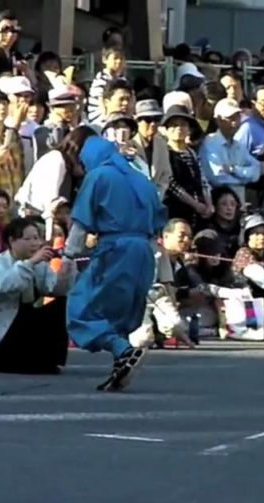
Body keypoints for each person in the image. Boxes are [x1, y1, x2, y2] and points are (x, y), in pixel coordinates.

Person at [65, 138, 167, 391]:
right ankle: (121, 363)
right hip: (144, 251)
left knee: (81, 305)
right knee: (121, 311)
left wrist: (68, 254)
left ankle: (123, 351)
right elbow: (158, 221)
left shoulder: (99, 176)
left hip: (116, 248)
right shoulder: (142, 179)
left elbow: (81, 222)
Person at [0, 218, 76, 374]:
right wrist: (29, 263)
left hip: (21, 325)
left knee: (61, 304)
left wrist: (66, 269)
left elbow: (55, 289)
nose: (34, 243)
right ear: (12, 241)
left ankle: (49, 358)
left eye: (36, 238)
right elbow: (1, 286)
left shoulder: (38, 264)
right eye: (28, 239)